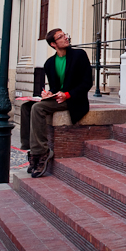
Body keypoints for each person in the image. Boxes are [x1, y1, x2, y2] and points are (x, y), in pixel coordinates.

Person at [20, 28, 92, 178]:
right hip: (58, 99)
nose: (66, 37)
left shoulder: (79, 55)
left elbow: (87, 83)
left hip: (74, 100)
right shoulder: (49, 63)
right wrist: (49, 93)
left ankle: (42, 152)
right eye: (61, 37)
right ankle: (32, 151)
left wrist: (67, 95)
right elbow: (55, 87)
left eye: (65, 35)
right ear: (53, 44)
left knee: (38, 108)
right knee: (26, 107)